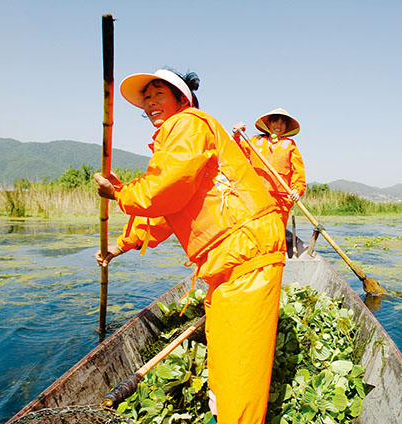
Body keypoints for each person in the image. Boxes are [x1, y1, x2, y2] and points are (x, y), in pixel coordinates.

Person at [93, 68, 286, 423]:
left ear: (182, 99)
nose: (150, 103)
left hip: (245, 252)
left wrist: (120, 194)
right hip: (230, 260)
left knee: (239, 374)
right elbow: (165, 213)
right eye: (146, 98)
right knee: (224, 359)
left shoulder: (188, 124)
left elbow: (166, 187)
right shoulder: (177, 139)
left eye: (158, 94)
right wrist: (120, 246)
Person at [232, 108, 306, 228]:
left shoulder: (290, 145)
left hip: (280, 201)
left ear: (286, 127)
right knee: (255, 230)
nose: (279, 125)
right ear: (269, 124)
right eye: (275, 121)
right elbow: (236, 151)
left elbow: (298, 173)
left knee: (276, 233)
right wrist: (236, 135)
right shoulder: (255, 141)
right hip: (256, 196)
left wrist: (296, 190)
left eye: (282, 123)